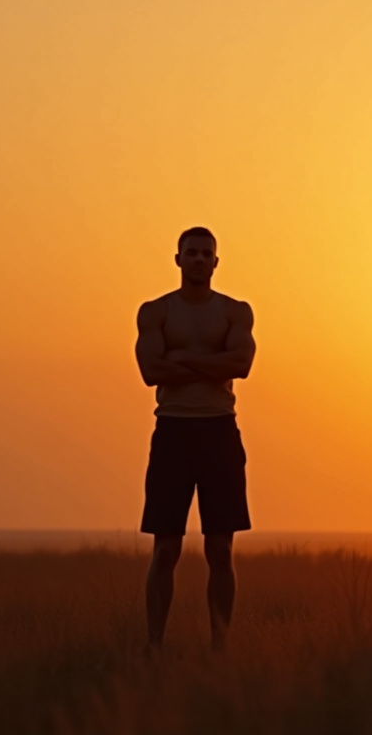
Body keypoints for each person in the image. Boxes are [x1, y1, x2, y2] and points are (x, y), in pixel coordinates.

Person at [134, 226, 256, 650]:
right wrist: (211, 364)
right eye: (192, 253)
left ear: (216, 262)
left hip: (219, 431)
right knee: (165, 549)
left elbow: (241, 364)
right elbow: (151, 371)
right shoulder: (156, 312)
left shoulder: (235, 312)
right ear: (178, 259)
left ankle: (219, 648)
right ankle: (154, 648)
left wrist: (182, 358)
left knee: (220, 550)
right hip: (173, 431)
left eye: (207, 254)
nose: (200, 259)